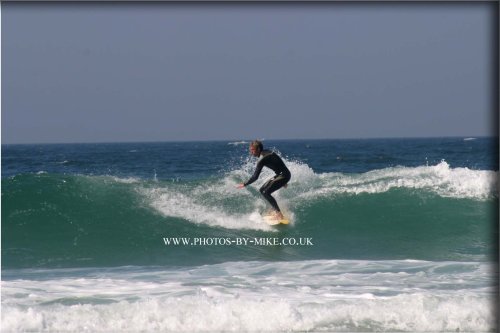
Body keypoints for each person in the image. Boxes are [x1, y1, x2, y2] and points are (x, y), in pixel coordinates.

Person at [237, 140, 291, 219]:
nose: (251, 153)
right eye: (250, 150)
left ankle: (279, 214)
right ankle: (274, 208)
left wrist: (245, 184)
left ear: (258, 149)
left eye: (252, 150)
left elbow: (255, 177)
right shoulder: (267, 152)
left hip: (284, 175)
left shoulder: (262, 158)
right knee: (262, 190)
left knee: (266, 192)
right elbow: (277, 162)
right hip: (281, 175)